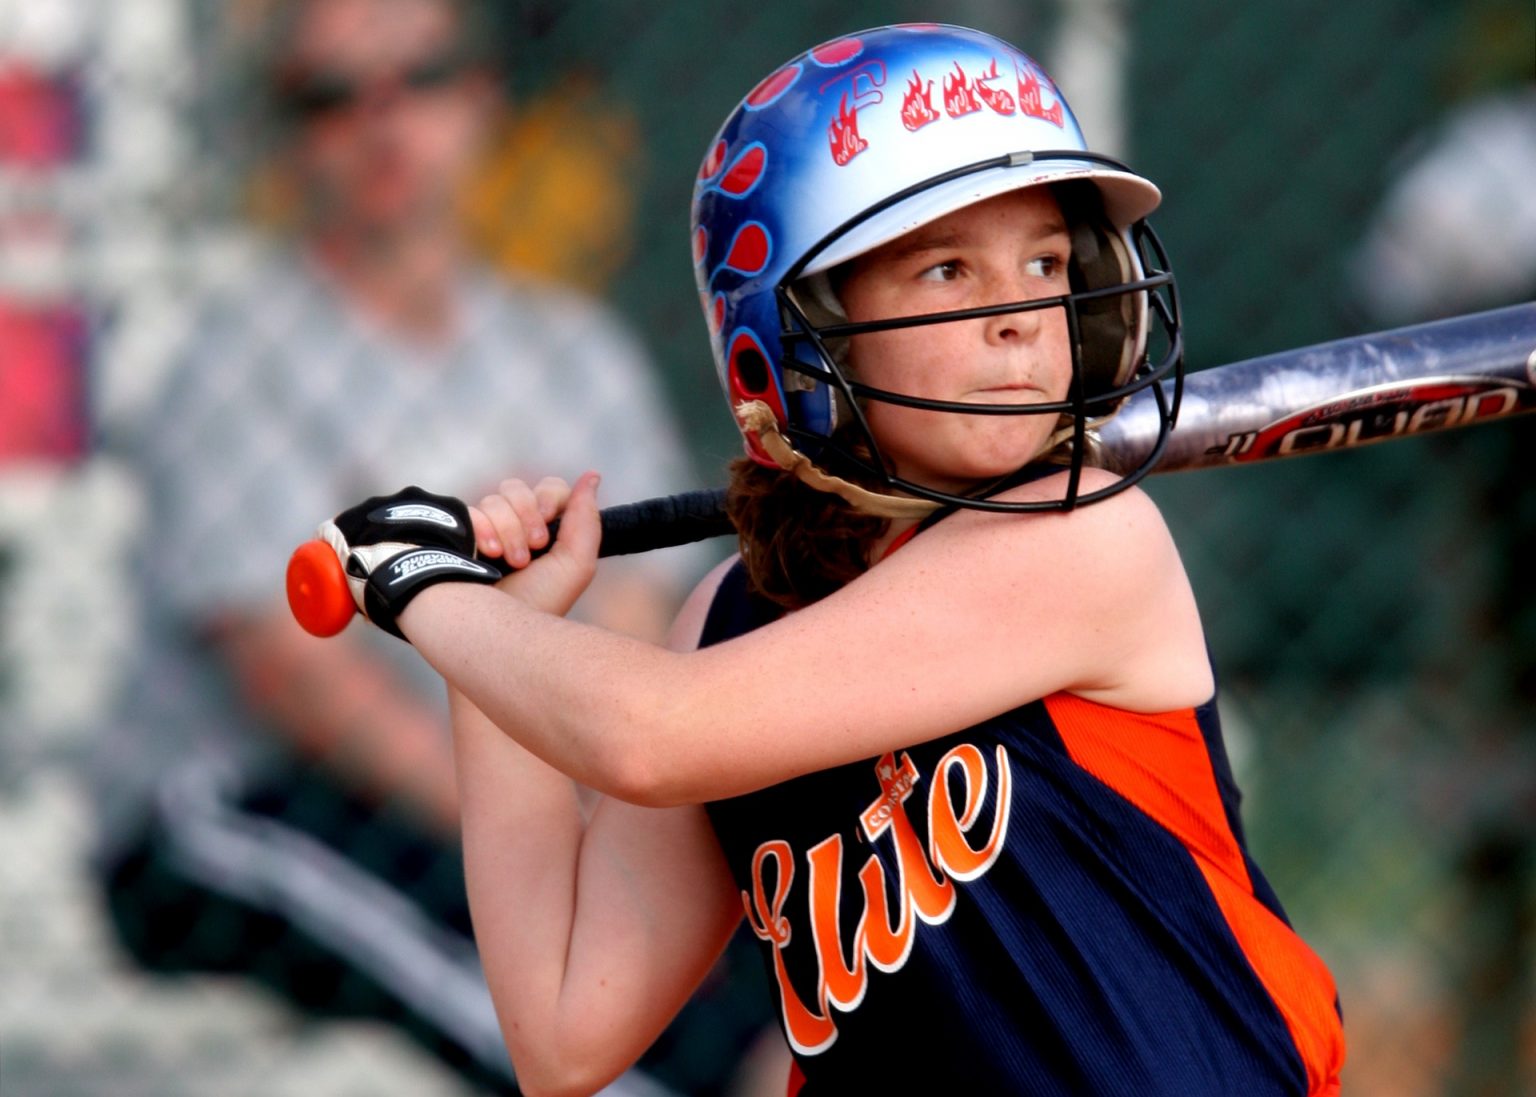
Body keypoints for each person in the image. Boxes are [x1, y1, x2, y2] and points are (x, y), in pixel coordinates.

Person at [311, 24, 1347, 1097]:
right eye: (947, 270)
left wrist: (418, 590)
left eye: (1044, 261)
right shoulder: (731, 618)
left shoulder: (1080, 537)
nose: (1021, 320)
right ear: (806, 333)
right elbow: (565, 1027)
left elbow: (657, 732)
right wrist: (491, 644)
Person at [90, 1, 769, 1093]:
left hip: (530, 781)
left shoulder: (568, 349)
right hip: (242, 797)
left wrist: (604, 819)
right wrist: (543, 824)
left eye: (422, 77)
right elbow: (300, 681)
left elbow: (637, 621)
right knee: (524, 967)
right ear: (286, 136)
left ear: (482, 100)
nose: (383, 121)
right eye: (331, 97)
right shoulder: (238, 354)